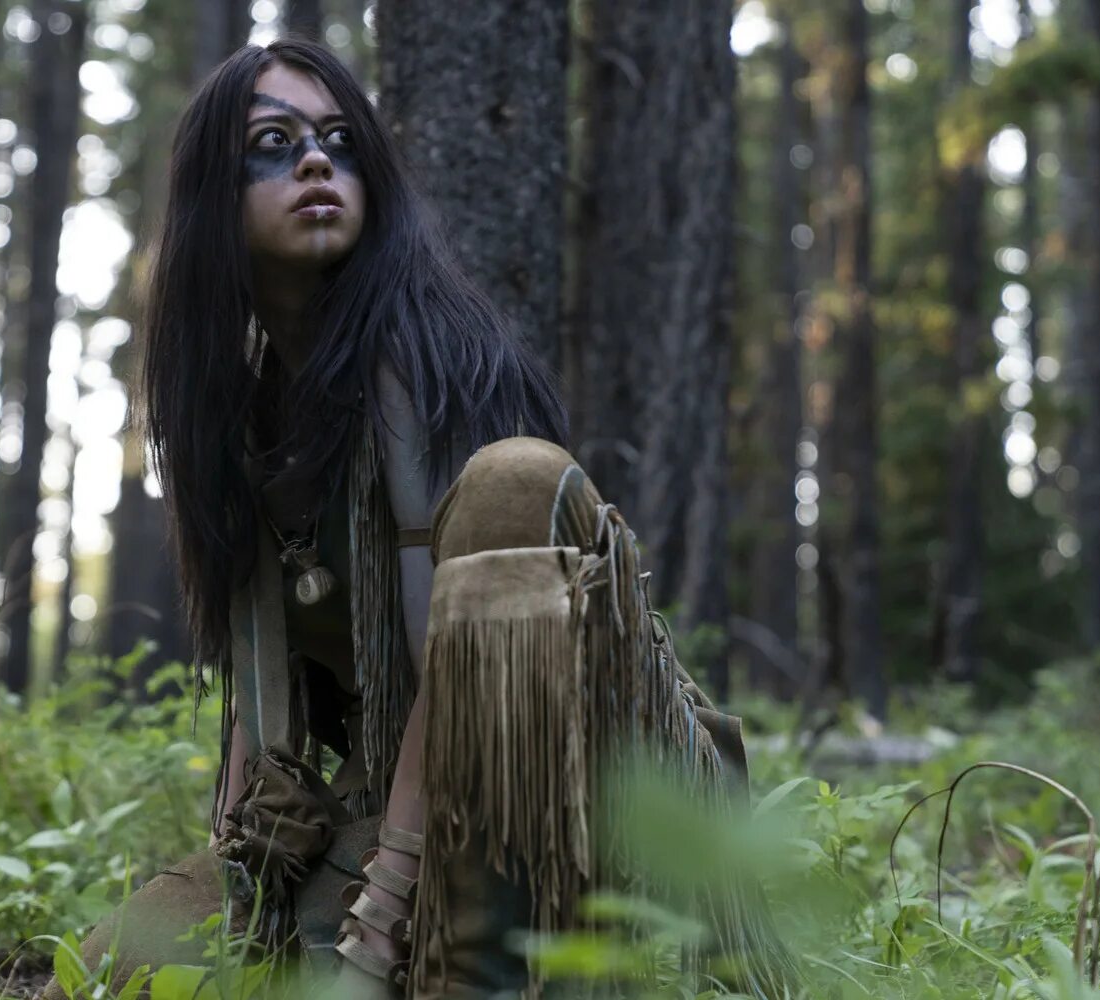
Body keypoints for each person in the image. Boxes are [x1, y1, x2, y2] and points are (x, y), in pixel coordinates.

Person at [48, 37, 782, 999]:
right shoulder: (239, 425)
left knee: (516, 482)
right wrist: (247, 871)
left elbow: (463, 669)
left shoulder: (447, 359)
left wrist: (382, 911)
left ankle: (473, 975)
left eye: (340, 141)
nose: (317, 162)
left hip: (577, 798)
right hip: (394, 810)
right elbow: (262, 705)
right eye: (273, 144)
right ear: (210, 198)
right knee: (105, 971)